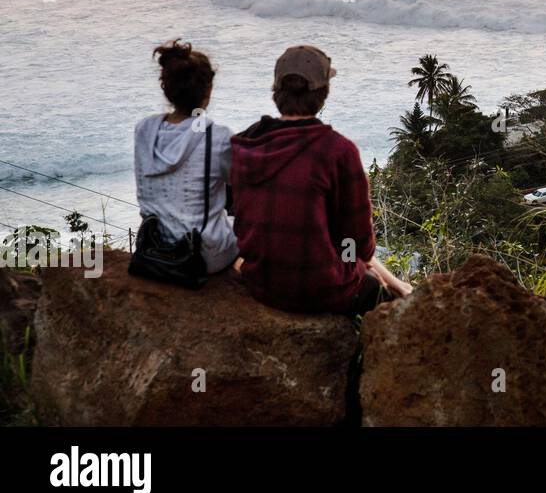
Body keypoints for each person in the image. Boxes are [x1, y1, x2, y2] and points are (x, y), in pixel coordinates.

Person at [230, 45, 411, 315]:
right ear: (323, 94)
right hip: (320, 290)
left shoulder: (246, 144)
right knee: (379, 295)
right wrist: (359, 269)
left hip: (260, 283)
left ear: (276, 92)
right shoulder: (338, 151)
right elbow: (357, 242)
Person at [133, 41, 238, 275]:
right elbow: (242, 185)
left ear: (166, 89)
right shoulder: (217, 136)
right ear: (208, 91)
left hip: (153, 247)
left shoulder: (144, 130)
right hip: (202, 254)